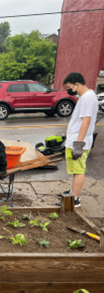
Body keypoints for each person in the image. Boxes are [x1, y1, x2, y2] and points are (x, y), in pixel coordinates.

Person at [56, 72, 98, 208]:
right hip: (76, 139)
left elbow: (86, 121)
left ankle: (74, 199)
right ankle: (73, 192)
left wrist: (78, 144)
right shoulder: (87, 96)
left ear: (77, 85)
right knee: (75, 169)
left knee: (78, 170)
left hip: (79, 140)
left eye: (70, 87)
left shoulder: (87, 98)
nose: (69, 90)